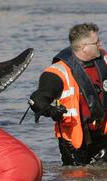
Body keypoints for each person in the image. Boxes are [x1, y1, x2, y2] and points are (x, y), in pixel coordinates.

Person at [29, 23, 107, 166]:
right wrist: (51, 111)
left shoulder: (104, 60)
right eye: (96, 42)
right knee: (75, 180)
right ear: (84, 47)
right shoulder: (57, 73)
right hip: (74, 140)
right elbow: (36, 99)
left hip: (103, 134)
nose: (100, 44)